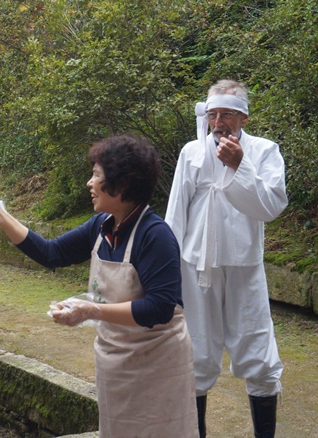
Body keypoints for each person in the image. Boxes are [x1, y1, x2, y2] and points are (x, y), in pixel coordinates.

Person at [0, 134, 198, 437]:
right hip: (115, 362)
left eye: (97, 175)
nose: (89, 182)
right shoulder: (101, 224)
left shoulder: (155, 235)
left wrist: (91, 310)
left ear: (123, 184)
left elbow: (160, 307)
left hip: (158, 365)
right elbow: (51, 253)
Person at [165, 79, 287, 438]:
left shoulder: (265, 151)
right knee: (196, 354)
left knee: (259, 354)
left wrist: (239, 165)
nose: (219, 121)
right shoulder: (191, 152)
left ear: (243, 118)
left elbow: (269, 208)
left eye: (228, 114)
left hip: (245, 266)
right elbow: (176, 214)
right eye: (214, 113)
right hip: (194, 265)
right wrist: (168, 271)